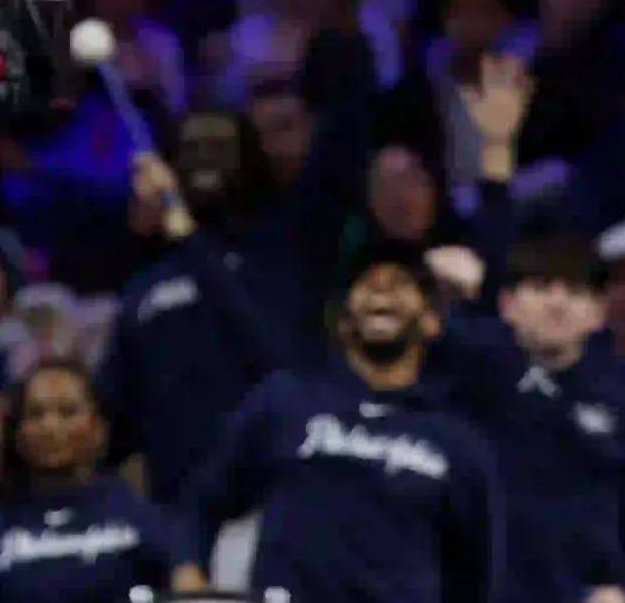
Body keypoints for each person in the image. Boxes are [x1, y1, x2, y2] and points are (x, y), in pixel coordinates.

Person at [181, 240, 502, 603]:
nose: (382, 289)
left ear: (431, 321)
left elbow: (476, 582)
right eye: (367, 283)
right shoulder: (287, 402)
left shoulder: (457, 443)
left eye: (400, 283)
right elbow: (201, 502)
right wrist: (189, 578)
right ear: (345, 319)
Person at [428, 237, 625, 603]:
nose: (557, 303)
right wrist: (428, 276)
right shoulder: (464, 381)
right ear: (507, 305)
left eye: (575, 291)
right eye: (540, 287)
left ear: (598, 312)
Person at [0, 361, 204, 603]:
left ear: (99, 429)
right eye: (36, 414)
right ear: (18, 434)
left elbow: (190, 586)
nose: (51, 426)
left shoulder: (144, 519)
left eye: (68, 411)